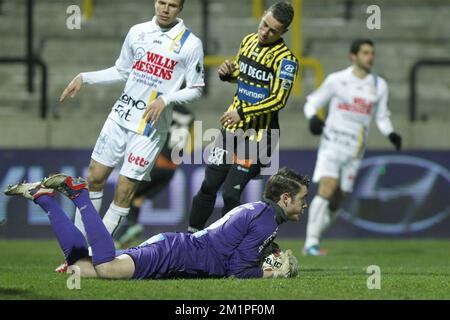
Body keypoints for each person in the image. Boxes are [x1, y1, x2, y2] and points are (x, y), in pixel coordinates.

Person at [58, 0, 204, 243]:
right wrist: (85, 77)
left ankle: (97, 254)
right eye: (161, 2)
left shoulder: (190, 43)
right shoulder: (137, 32)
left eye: (172, 5)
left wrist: (165, 100)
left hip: (150, 128)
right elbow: (122, 70)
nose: (165, 9)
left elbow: (197, 88)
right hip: (120, 116)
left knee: (124, 191)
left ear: (181, 9)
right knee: (94, 178)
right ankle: (77, 250)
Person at [4, 167, 308, 279]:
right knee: (106, 267)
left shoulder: (259, 212)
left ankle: (43, 197)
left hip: (176, 248)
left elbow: (240, 249)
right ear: (285, 198)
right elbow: (237, 271)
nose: (304, 204)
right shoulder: (265, 220)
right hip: (176, 255)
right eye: (302, 198)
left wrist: (271, 256)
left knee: (80, 269)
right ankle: (81, 196)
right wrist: (272, 274)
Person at [188, 1, 299, 233]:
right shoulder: (248, 40)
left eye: (273, 31)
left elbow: (279, 99)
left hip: (260, 136)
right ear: (262, 17)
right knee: (209, 186)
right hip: (232, 129)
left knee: (231, 193)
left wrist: (242, 112)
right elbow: (242, 74)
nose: (264, 32)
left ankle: (226, 248)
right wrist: (228, 74)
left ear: (284, 33)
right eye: (264, 24)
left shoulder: (286, 60)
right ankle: (189, 239)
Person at [302, 39, 402, 256]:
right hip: (332, 143)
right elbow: (311, 102)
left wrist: (391, 133)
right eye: (366, 53)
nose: (370, 57)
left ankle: (314, 237)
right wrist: (313, 119)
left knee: (338, 199)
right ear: (353, 56)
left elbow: (382, 116)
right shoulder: (337, 80)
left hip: (355, 150)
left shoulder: (379, 85)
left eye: (372, 53)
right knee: (327, 189)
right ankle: (311, 244)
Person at [114, 104, 195, 248]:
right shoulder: (191, 116)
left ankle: (130, 225)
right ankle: (127, 233)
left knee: (127, 191)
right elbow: (190, 144)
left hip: (158, 161)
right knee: (139, 196)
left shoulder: (166, 108)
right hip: (172, 168)